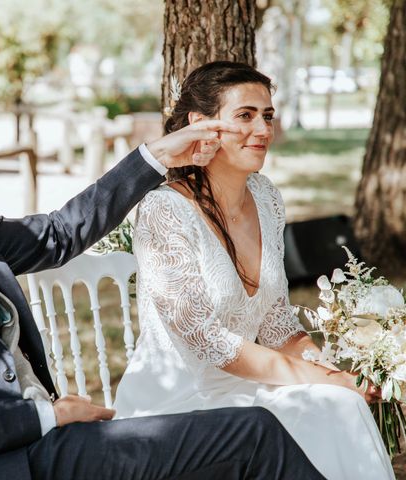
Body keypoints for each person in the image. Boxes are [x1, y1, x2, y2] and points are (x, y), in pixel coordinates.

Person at [0, 66, 325, 480]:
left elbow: (59, 234)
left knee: (249, 432)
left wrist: (155, 158)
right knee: (252, 434)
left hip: (51, 444)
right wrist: (45, 416)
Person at [113, 61, 395, 480]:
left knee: (341, 402)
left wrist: (332, 373)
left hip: (246, 384)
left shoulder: (265, 197)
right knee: (333, 402)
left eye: (267, 116)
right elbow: (211, 343)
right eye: (244, 116)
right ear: (201, 125)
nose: (263, 131)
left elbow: (277, 321)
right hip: (178, 399)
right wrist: (322, 380)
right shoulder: (164, 211)